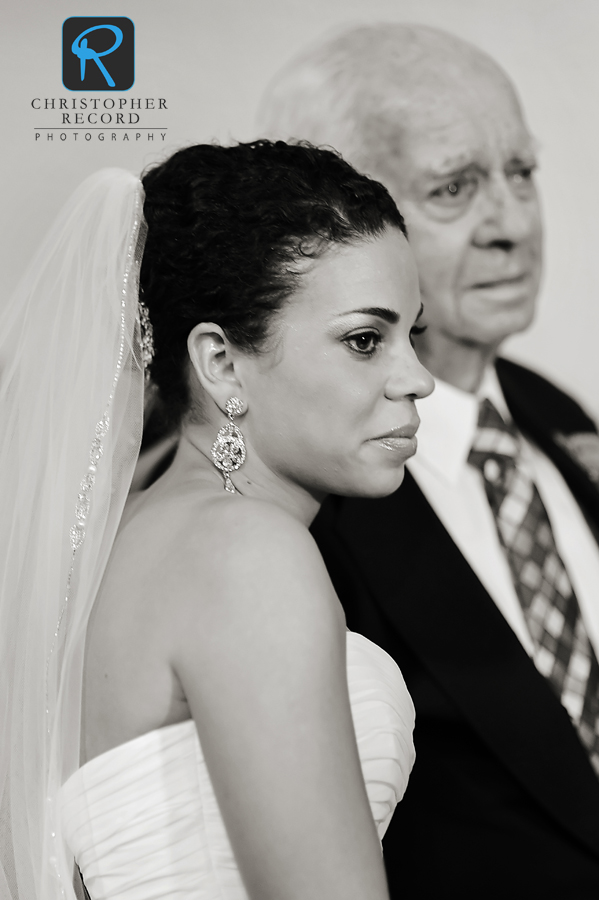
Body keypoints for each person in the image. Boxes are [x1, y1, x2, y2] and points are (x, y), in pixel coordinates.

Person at [0, 140, 433, 900]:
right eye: (365, 340)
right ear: (222, 363)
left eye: (412, 334)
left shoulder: (131, 540)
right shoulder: (245, 553)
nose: (417, 379)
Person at [259, 23, 599, 898]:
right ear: (336, 217)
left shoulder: (556, 414)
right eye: (454, 187)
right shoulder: (291, 491)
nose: (513, 224)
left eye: (520, 172)